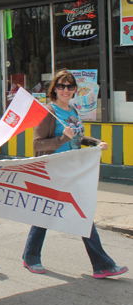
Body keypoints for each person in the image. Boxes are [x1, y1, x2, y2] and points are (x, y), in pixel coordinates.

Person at [22, 69, 128, 279]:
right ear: (54, 89)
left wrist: (96, 143)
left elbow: (77, 138)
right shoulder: (49, 111)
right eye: (61, 86)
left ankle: (32, 256)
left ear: (75, 90)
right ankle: (100, 264)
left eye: (70, 86)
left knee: (72, 212)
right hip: (54, 170)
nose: (65, 90)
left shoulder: (73, 110)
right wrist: (62, 139)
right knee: (60, 213)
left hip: (72, 170)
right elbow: (37, 144)